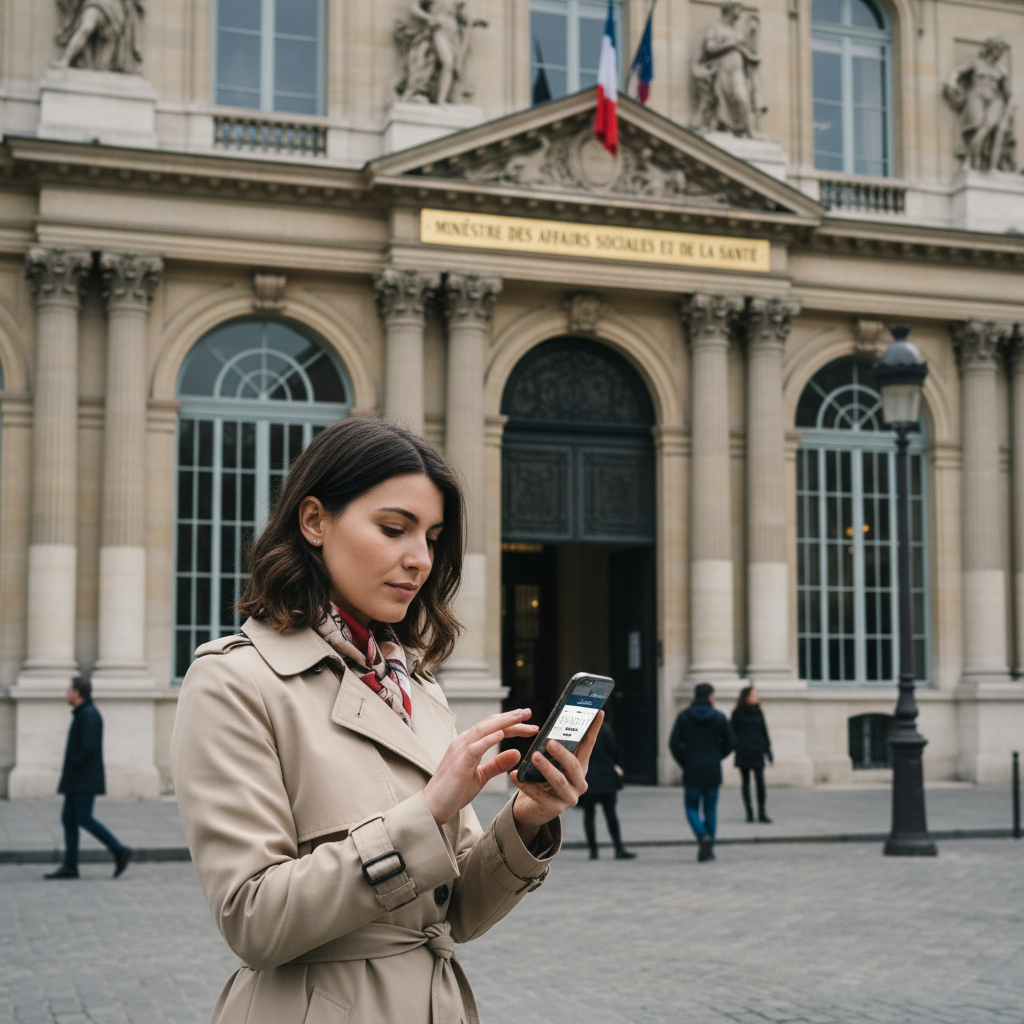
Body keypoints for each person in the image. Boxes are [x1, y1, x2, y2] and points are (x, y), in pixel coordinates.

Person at [171, 417, 599, 1024]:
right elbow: (253, 920)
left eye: (432, 537)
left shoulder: (417, 687)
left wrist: (529, 817)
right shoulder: (235, 681)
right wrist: (427, 814)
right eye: (394, 529)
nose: (420, 559)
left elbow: (459, 913)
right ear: (314, 521)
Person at [45, 676, 132, 880]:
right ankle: (71, 866)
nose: (66, 694)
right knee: (69, 820)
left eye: (69, 690)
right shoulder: (83, 713)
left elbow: (87, 749)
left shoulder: (89, 715)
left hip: (82, 779)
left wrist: (73, 767)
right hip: (78, 779)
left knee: (83, 819)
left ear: (77, 692)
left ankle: (119, 850)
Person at [668, 682, 734, 862]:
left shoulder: (684, 716)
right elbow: (730, 743)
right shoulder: (719, 717)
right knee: (710, 809)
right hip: (712, 768)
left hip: (692, 768)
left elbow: (674, 744)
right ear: (710, 696)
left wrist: (685, 761)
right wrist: (717, 756)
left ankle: (701, 835)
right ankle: (709, 849)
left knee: (691, 807)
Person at [579, 718, 635, 861]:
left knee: (589, 814)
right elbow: (614, 750)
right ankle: (618, 848)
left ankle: (593, 851)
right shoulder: (605, 728)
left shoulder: (580, 729)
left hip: (587, 776)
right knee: (610, 814)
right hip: (605, 776)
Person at [731, 685, 773, 823]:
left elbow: (764, 732)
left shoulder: (759, 712)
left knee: (760, 782)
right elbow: (731, 732)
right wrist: (736, 745)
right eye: (754, 695)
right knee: (746, 782)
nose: (756, 697)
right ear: (747, 697)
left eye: (756, 695)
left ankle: (762, 812)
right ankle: (749, 813)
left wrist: (768, 750)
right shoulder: (737, 713)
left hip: (757, 751)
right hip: (744, 751)